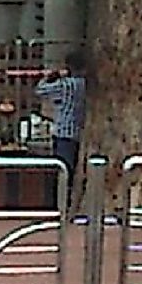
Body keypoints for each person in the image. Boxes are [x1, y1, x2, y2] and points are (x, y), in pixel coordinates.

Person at [35, 51, 86, 195]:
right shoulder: (86, 85)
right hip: (78, 133)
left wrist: (51, 76)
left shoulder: (67, 85)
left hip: (64, 134)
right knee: (71, 172)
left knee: (62, 173)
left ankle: (61, 204)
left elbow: (40, 90)